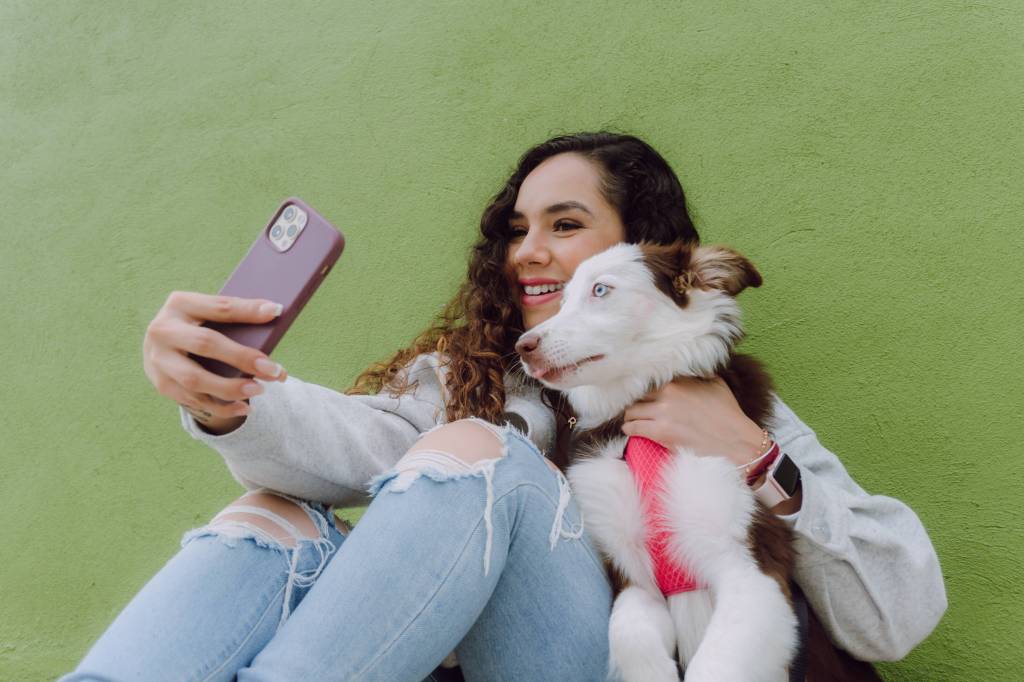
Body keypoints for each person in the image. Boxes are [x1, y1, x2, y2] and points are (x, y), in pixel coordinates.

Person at [62, 132, 946, 681]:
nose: (529, 252)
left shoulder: (717, 400)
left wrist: (759, 457)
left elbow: (895, 613)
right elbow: (355, 440)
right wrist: (228, 395)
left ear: (640, 254)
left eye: (565, 225)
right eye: (517, 230)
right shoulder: (472, 382)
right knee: (273, 515)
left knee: (486, 454)